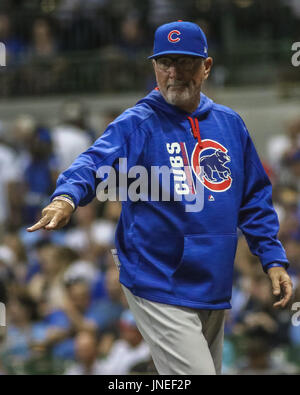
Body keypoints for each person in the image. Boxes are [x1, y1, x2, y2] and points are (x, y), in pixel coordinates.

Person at [27, 21, 293, 375]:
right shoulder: (139, 122)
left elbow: (254, 199)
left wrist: (272, 258)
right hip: (157, 278)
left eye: (184, 62)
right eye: (164, 62)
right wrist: (65, 198)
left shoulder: (230, 124)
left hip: (212, 281)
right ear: (154, 66)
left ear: (206, 67)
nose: (173, 73)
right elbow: (93, 162)